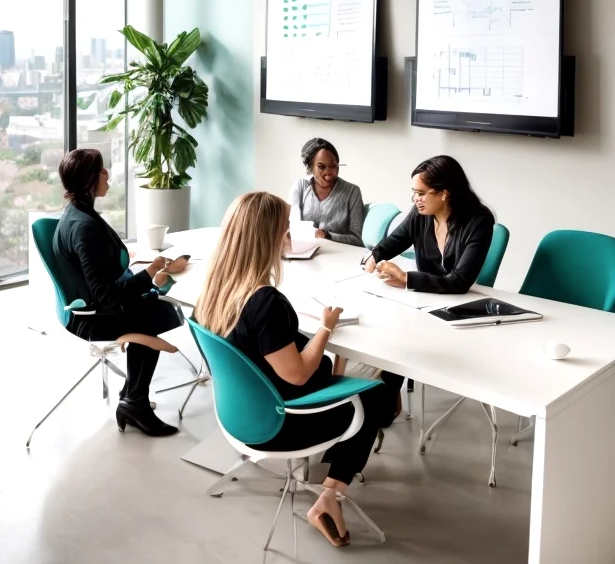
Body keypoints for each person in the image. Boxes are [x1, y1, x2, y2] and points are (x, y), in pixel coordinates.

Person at [195, 192, 384, 548]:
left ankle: (328, 476)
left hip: (238, 418)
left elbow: (255, 343)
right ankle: (329, 498)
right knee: (373, 395)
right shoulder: (264, 300)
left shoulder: (215, 290)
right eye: (284, 231)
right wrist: (327, 327)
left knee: (342, 376)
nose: (289, 239)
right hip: (281, 424)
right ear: (266, 238)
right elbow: (296, 375)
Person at [53, 148, 187, 437]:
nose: (106, 174)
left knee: (156, 307)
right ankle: (135, 402)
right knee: (157, 313)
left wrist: (138, 267)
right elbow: (107, 296)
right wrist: (150, 272)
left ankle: (132, 394)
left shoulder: (76, 214)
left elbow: (99, 270)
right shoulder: (85, 228)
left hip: (87, 305)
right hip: (92, 317)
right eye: (101, 170)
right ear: (89, 180)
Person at [363, 155, 495, 425]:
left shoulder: (479, 221)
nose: (416, 200)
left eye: (422, 193)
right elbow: (392, 242)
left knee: (400, 338)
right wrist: (374, 257)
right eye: (414, 193)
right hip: (421, 304)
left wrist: (408, 279)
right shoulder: (420, 215)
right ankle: (376, 402)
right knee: (385, 330)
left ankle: (381, 404)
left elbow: (460, 281)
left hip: (457, 311)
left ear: (444, 193)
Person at [288, 137, 365, 246]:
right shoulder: (300, 187)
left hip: (340, 255)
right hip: (303, 252)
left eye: (334, 166)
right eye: (321, 167)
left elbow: (358, 239)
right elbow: (294, 228)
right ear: (310, 168)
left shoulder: (352, 192)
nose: (329, 172)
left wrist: (327, 235)